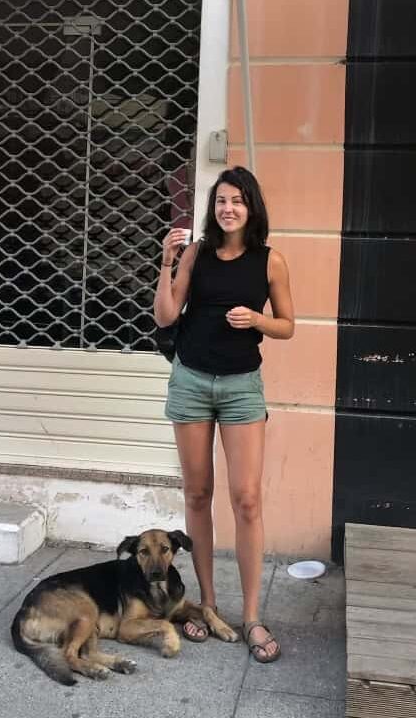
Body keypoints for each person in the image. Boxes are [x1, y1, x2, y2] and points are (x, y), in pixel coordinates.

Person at [153, 166, 294, 664]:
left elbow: (288, 326)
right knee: (196, 493)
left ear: (251, 207)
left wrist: (257, 319)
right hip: (191, 381)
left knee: (247, 499)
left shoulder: (270, 261)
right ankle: (207, 604)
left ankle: (252, 615)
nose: (227, 208)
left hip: (240, 388)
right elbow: (167, 316)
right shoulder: (197, 253)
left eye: (236, 201)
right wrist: (168, 262)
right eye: (219, 201)